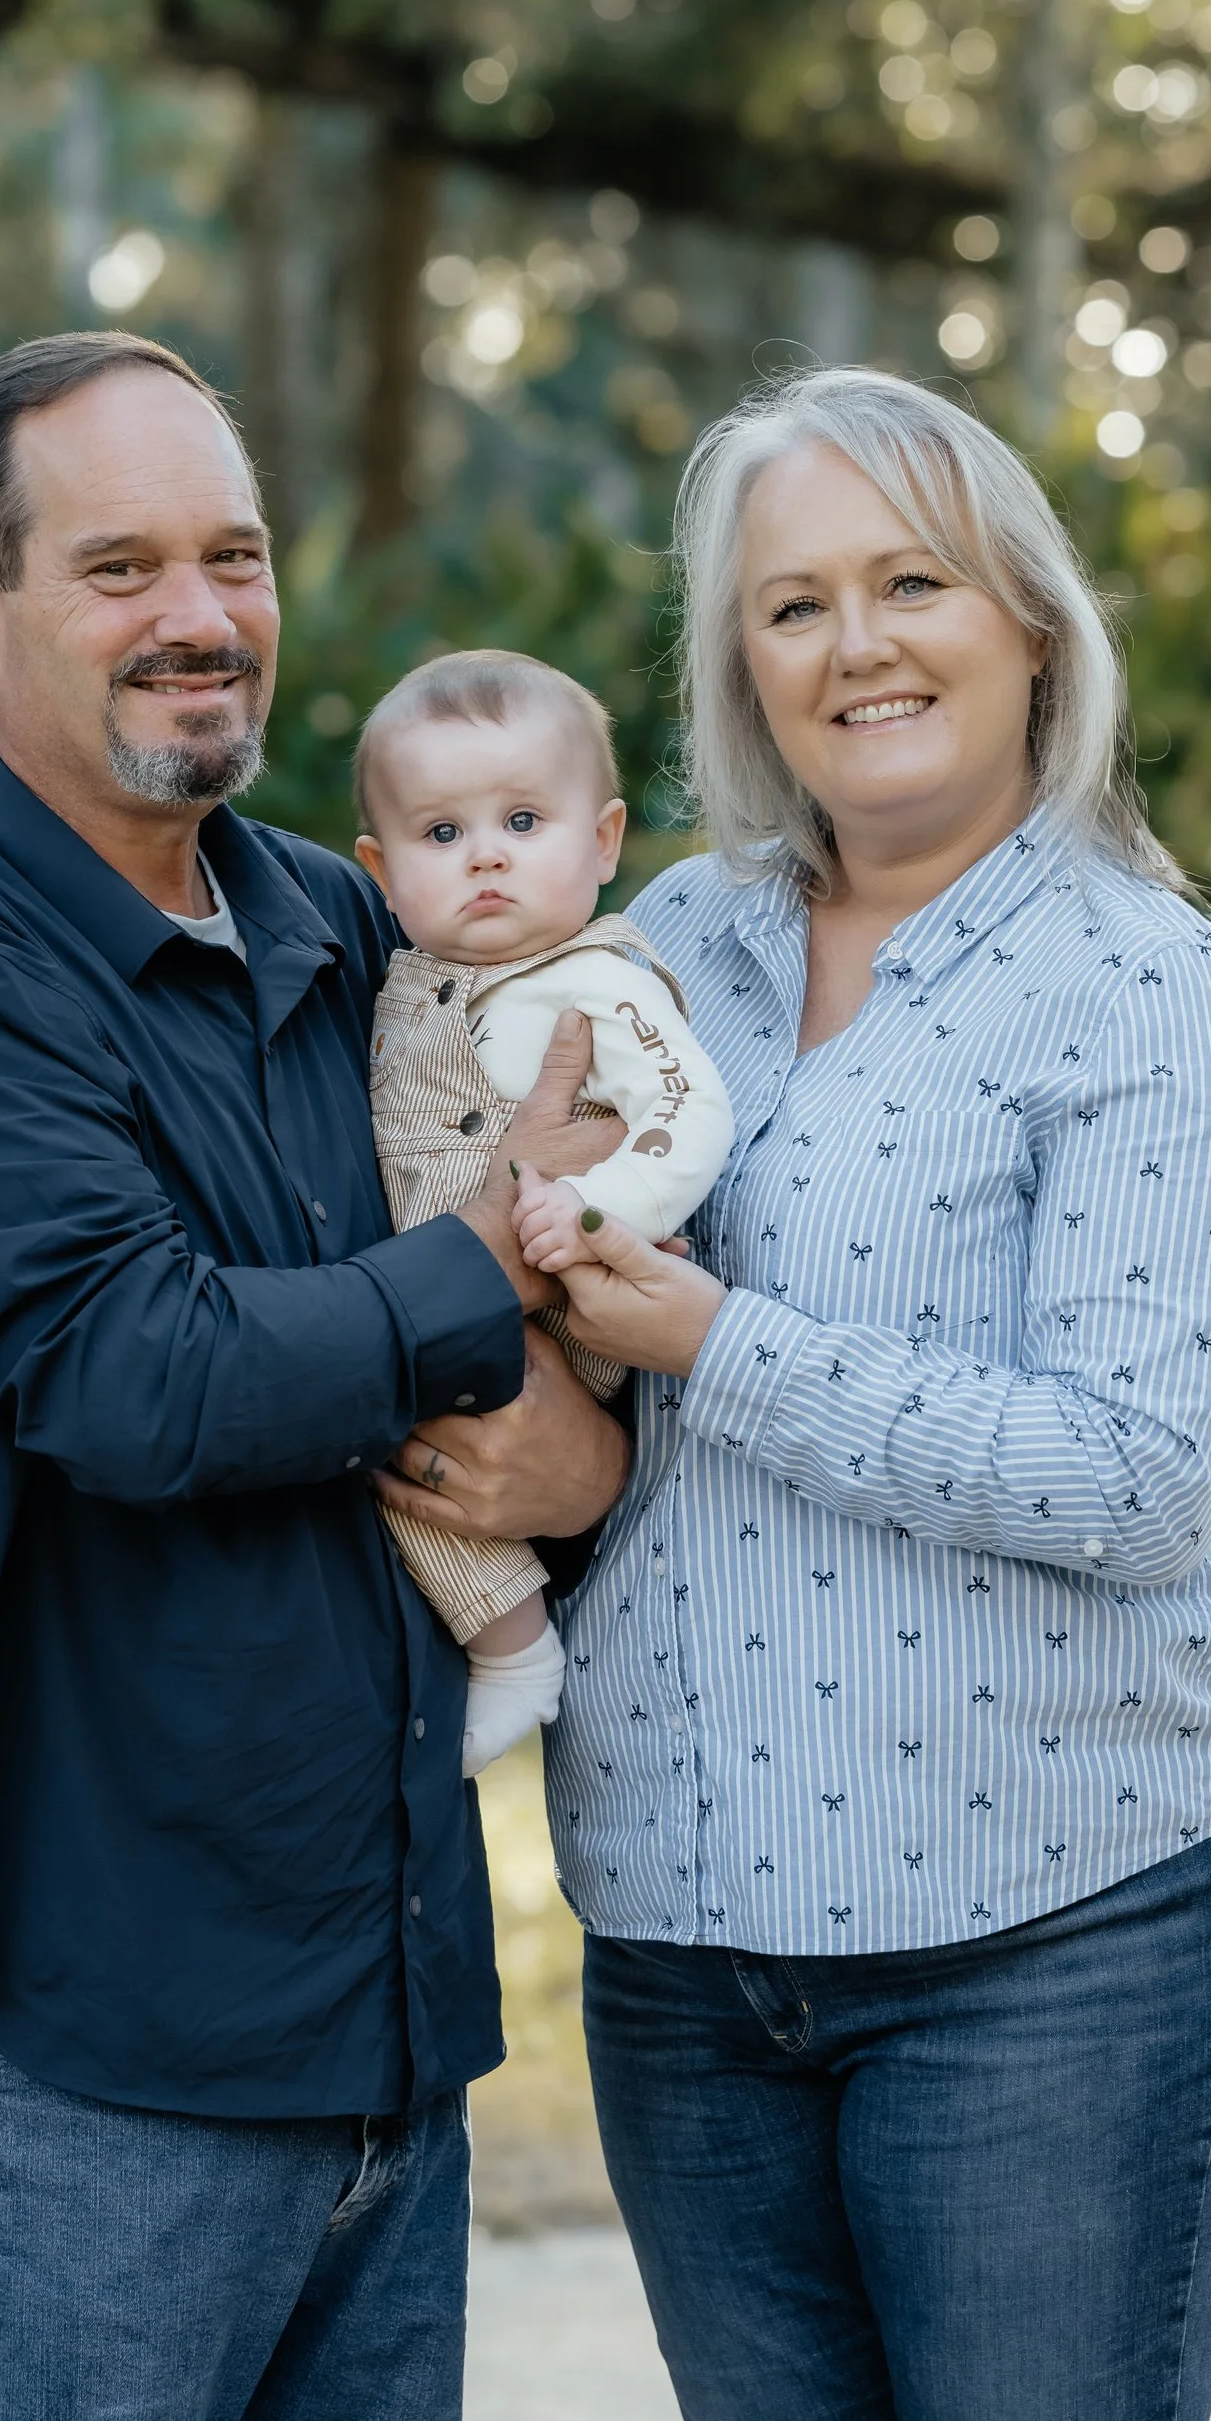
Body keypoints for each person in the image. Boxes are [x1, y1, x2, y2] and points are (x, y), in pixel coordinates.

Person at [0, 331, 627, 2421]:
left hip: (381, 2000)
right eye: (118, 562)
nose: (199, 613)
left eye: (229, 552)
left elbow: (561, 1272)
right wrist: (477, 1277)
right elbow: (138, 1372)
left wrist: (572, 1457)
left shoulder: (344, 926)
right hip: (89, 2024)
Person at [473, 362, 1211, 2421]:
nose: (854, 645)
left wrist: (718, 1341)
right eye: (791, 604)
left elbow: (1141, 1473)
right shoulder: (671, 948)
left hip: (1059, 1929)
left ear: (1027, 621)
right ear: (736, 665)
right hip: (685, 1931)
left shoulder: (1152, 991)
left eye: (910, 581)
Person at [350, 647, 735, 1775]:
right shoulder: (407, 980)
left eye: (523, 819)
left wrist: (594, 1208)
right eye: (440, 834)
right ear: (379, 868)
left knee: (431, 1453)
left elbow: (685, 1113)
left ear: (604, 840)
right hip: (437, 1273)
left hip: (559, 1296)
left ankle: (514, 1649)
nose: (485, 858)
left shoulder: (599, 977)